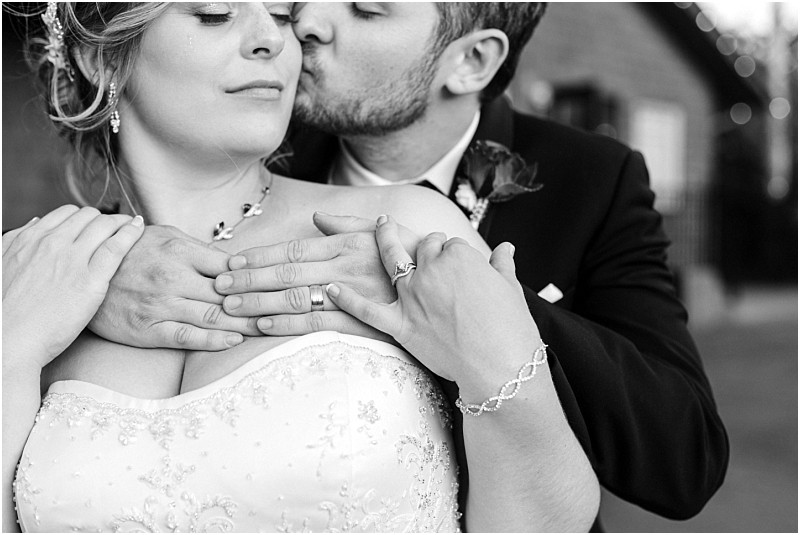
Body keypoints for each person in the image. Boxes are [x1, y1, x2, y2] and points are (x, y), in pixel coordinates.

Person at [88, 2, 728, 525]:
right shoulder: (253, 135)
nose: (307, 22)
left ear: (471, 60)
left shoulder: (591, 177)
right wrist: (104, 270)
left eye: (364, 10)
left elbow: (683, 457)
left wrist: (446, 291)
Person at [3, 2, 599, 532]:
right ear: (99, 59)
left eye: (284, 15)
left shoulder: (403, 224)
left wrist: (492, 354)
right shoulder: (34, 271)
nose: (275, 41)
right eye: (215, 15)